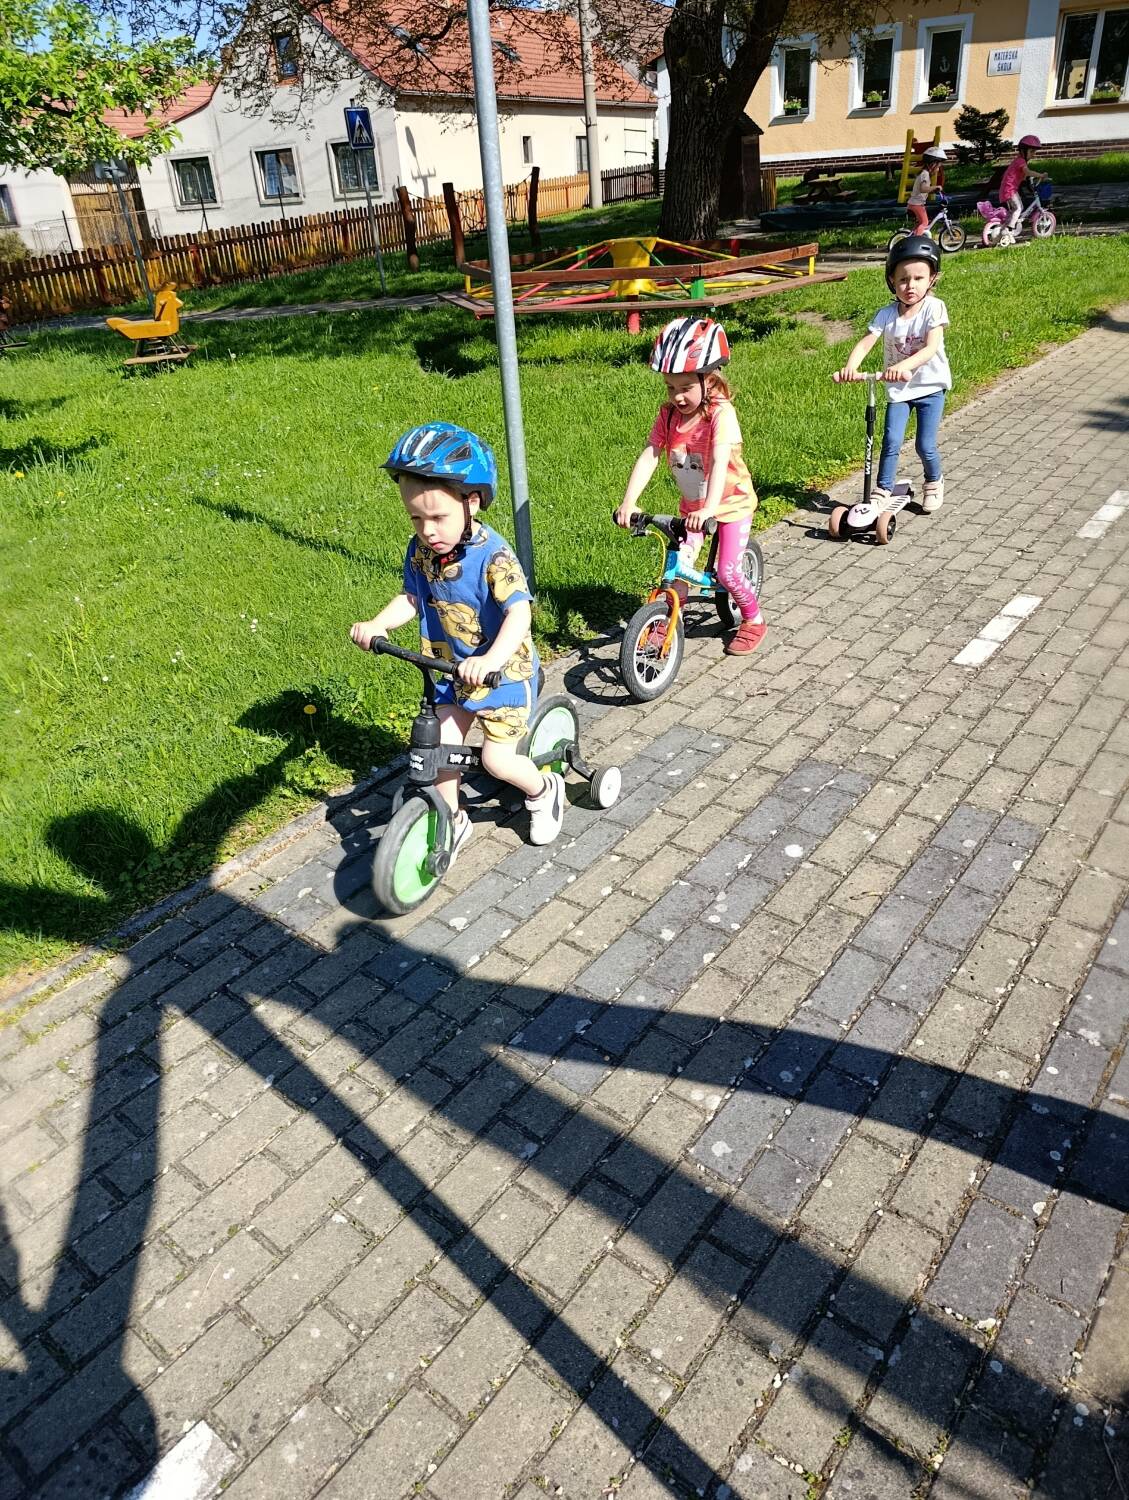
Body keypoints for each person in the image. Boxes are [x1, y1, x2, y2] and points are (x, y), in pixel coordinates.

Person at [350, 422, 564, 854]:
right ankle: (452, 819)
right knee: (442, 748)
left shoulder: (494, 556)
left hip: (504, 676)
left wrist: (491, 660)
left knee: (496, 760)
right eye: (416, 518)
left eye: (437, 518)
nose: (427, 530)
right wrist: (379, 624)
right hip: (450, 670)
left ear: (472, 502)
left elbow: (519, 612)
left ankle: (543, 792)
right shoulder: (420, 550)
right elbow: (412, 596)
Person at [614, 316, 767, 656]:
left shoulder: (720, 415)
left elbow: (719, 460)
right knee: (677, 568)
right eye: (670, 387)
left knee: (727, 571)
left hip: (731, 504)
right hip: (694, 509)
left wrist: (710, 509)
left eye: (685, 387)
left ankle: (753, 619)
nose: (677, 396)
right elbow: (651, 454)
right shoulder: (669, 416)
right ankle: (668, 620)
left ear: (708, 380)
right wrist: (629, 501)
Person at [832, 235, 951, 514]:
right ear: (892, 281)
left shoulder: (934, 308)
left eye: (918, 278)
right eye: (903, 280)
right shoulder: (886, 314)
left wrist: (903, 366)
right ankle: (883, 488)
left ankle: (934, 481)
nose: (911, 286)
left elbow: (931, 348)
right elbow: (865, 343)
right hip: (899, 390)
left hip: (930, 387)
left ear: (932, 279)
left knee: (924, 444)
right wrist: (851, 367)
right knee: (891, 441)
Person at [999, 134, 1045, 234]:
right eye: (1031, 151)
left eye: (1034, 152)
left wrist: (1030, 180)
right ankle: (1009, 229)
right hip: (1009, 189)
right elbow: (1027, 172)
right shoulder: (1021, 161)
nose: (1033, 154)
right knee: (1018, 208)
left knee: (1016, 209)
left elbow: (1023, 176)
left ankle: (1006, 225)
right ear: (1023, 151)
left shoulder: (1019, 160)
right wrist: (1040, 175)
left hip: (1009, 188)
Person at [907, 144, 947, 233]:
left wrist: (933, 190)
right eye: (938, 167)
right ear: (932, 164)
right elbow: (923, 189)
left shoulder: (925, 174)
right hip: (917, 204)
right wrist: (936, 187)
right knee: (924, 223)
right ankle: (917, 239)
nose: (938, 169)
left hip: (915, 203)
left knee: (920, 223)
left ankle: (913, 235)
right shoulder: (924, 174)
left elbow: (924, 190)